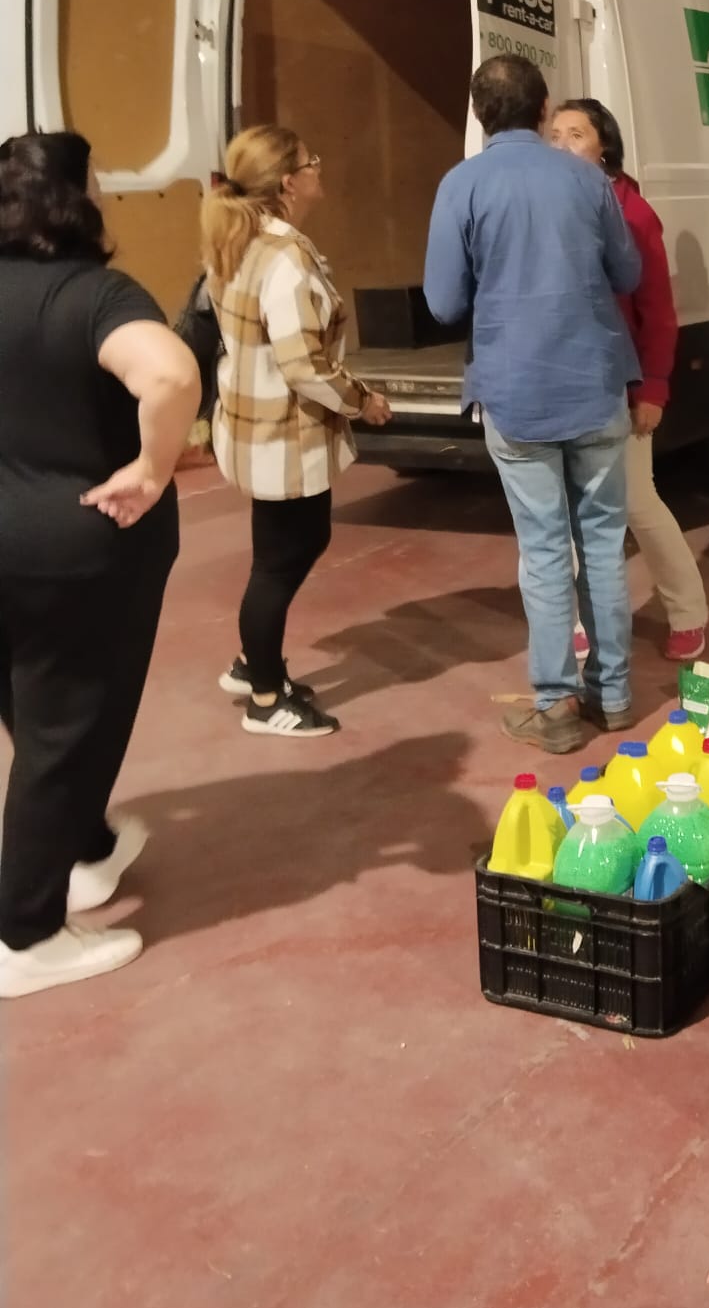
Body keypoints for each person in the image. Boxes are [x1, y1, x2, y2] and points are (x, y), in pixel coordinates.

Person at [0, 132, 200, 996]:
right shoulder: (96, 295)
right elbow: (169, 375)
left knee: (27, 706)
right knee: (64, 729)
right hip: (72, 553)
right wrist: (152, 470)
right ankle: (25, 933)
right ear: (82, 203)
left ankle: (86, 845)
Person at [425, 56, 641, 755]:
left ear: (481, 112)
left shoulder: (461, 185)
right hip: (595, 382)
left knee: (546, 548)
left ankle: (556, 707)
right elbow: (629, 272)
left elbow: (444, 302)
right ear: (543, 108)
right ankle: (613, 696)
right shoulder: (588, 179)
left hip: (515, 392)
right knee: (604, 542)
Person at [205, 126, 391, 738]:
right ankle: (263, 696)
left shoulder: (238, 238)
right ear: (289, 182)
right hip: (282, 436)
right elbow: (305, 367)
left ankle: (255, 663)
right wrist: (363, 401)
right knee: (282, 560)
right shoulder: (282, 259)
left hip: (253, 428)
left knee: (284, 551)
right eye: (312, 162)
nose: (320, 169)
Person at [549, 98, 708, 661]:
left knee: (639, 502)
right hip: (565, 382)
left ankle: (688, 613)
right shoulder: (548, 204)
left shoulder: (633, 213)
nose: (562, 143)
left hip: (620, 383)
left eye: (576, 133)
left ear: (604, 147)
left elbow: (658, 313)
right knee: (564, 508)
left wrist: (653, 390)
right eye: (555, 133)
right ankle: (575, 622)